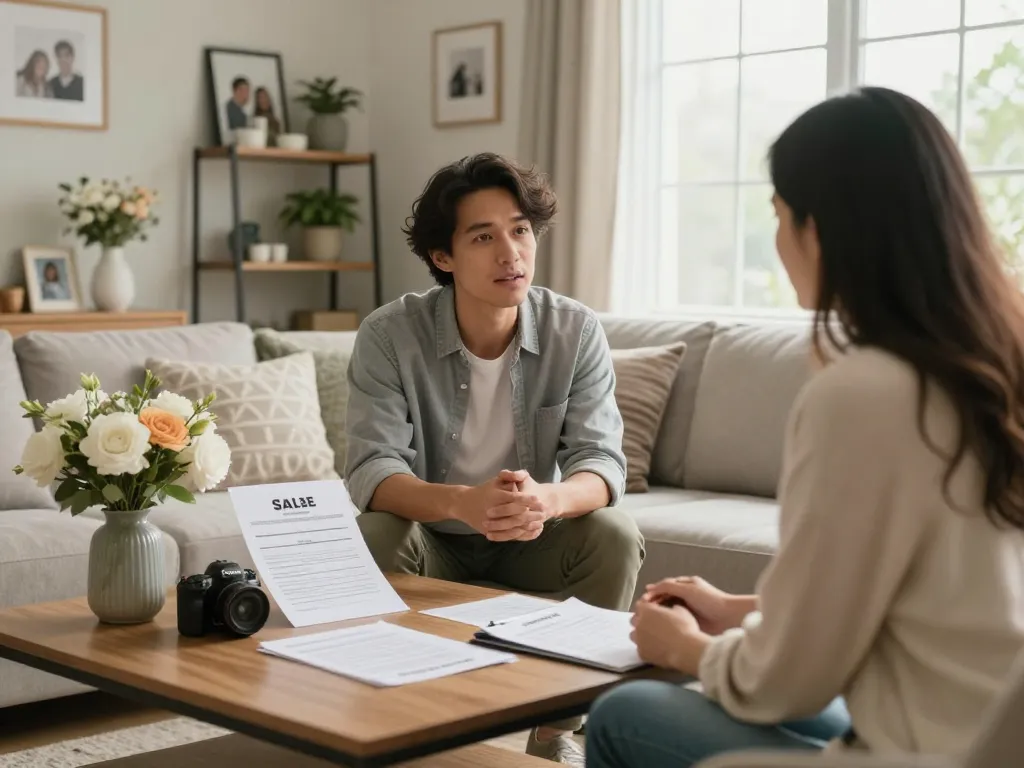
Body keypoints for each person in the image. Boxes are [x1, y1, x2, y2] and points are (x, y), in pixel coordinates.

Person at [585, 85, 1024, 767]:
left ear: (819, 230)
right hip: (985, 730)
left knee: (625, 713)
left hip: (922, 753)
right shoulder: (997, 362)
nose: (781, 239)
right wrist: (738, 612)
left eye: (781, 215)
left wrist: (683, 648)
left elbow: (786, 686)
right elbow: (934, 599)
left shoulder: (865, 393)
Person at [345, 153, 644, 766]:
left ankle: (553, 725)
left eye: (520, 230)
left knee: (613, 535)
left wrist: (547, 500)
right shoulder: (388, 335)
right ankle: (400, 721)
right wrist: (465, 505)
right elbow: (373, 470)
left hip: (536, 538)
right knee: (373, 533)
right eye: (483, 236)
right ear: (443, 257)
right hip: (435, 539)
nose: (511, 252)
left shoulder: (575, 330)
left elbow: (602, 463)